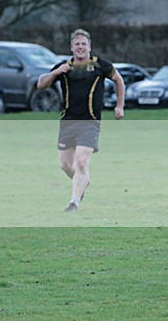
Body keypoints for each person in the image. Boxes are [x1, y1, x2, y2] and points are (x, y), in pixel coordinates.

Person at [36, 29, 125, 212]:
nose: (80, 47)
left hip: (90, 122)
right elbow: (40, 84)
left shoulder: (100, 65)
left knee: (82, 161)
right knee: (65, 165)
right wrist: (55, 73)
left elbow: (119, 80)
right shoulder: (64, 66)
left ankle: (74, 203)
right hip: (67, 122)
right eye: (77, 44)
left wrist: (120, 106)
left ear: (89, 47)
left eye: (84, 44)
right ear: (72, 47)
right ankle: (82, 182)